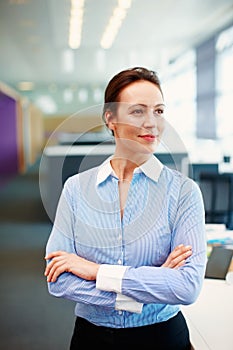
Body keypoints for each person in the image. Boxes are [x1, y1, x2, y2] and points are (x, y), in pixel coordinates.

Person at [44, 67, 207, 349]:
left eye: (158, 111)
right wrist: (150, 286)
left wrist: (96, 271)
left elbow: (186, 287)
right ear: (111, 119)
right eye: (137, 111)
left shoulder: (184, 192)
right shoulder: (76, 189)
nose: (152, 123)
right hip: (91, 338)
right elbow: (59, 280)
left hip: (162, 337)